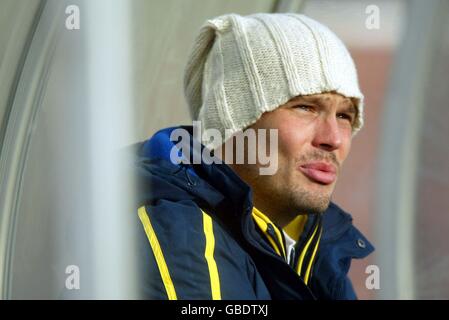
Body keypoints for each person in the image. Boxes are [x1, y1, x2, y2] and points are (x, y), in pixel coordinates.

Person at [133, 13, 374, 300]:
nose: (333, 138)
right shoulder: (182, 236)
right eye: (306, 107)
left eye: (345, 115)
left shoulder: (312, 246)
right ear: (234, 121)